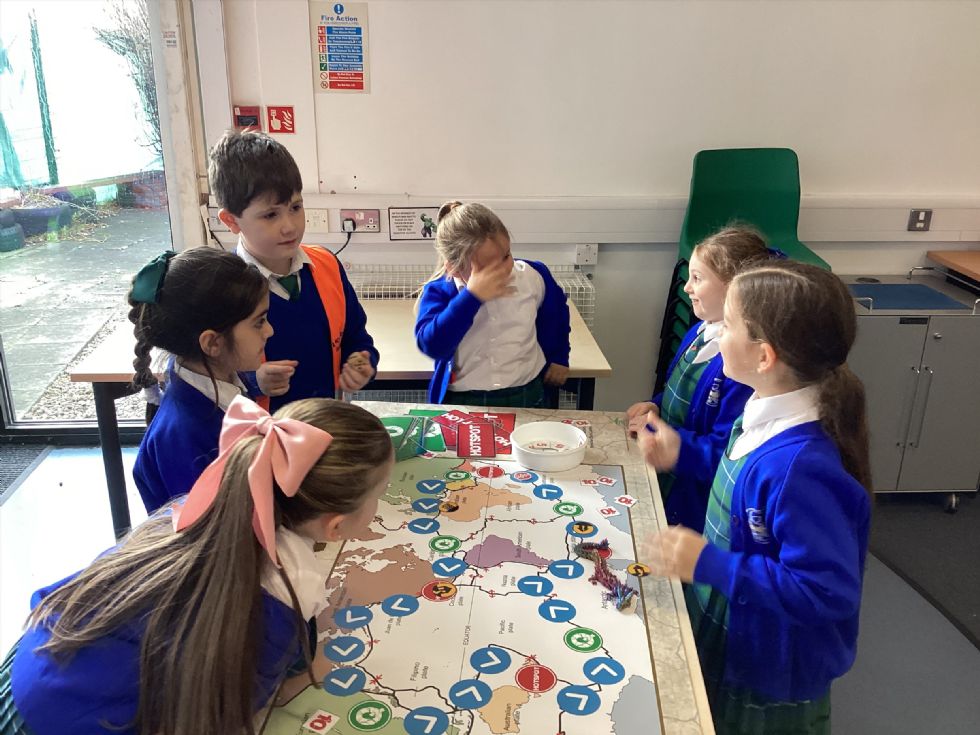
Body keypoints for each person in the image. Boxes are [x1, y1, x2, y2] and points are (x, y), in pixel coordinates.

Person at [3, 396, 394, 735]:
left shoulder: (196, 507)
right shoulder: (277, 605)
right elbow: (230, 710)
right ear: (335, 526)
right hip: (64, 720)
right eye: (379, 494)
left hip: (33, 663)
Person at [640, 260, 872, 734]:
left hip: (768, 666)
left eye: (727, 326)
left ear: (764, 357)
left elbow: (825, 591)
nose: (717, 333)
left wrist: (712, 563)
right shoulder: (759, 409)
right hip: (733, 624)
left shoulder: (799, 468)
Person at [208, 129, 378, 411]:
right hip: (260, 431)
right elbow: (204, 375)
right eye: (270, 215)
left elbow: (357, 337)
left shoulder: (327, 265)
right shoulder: (219, 289)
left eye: (296, 207)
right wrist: (254, 382)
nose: (289, 226)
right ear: (231, 221)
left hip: (326, 421)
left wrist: (362, 362)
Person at [626, 227, 769, 530]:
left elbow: (728, 454)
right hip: (668, 477)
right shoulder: (698, 332)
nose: (687, 287)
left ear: (734, 288)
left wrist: (679, 448)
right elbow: (680, 391)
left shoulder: (739, 367)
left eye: (697, 278)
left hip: (697, 499)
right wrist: (656, 405)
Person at [129, 247, 271, 513]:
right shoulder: (184, 438)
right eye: (259, 322)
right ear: (213, 343)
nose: (269, 331)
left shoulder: (218, 374)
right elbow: (209, 528)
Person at [415, 201, 570, 407]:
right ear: (454, 268)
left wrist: (559, 357)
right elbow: (432, 345)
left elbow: (557, 316)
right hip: (465, 398)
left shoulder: (533, 276)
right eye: (488, 268)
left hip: (527, 390)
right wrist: (471, 297)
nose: (504, 270)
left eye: (506, 256)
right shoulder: (440, 291)